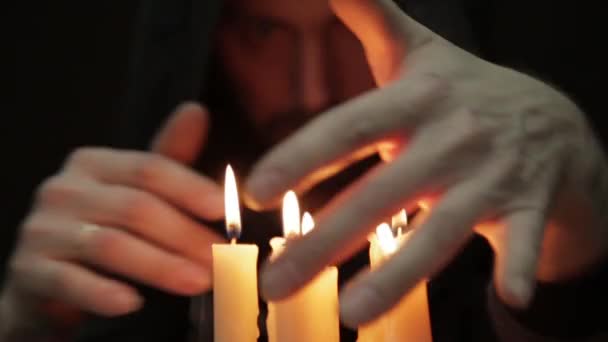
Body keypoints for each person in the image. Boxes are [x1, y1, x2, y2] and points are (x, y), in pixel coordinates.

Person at [1, 0, 606, 341]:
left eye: (343, 30)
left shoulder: (533, 231)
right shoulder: (136, 259)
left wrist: (580, 229)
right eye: (265, 31)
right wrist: (26, 327)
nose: (311, 91)